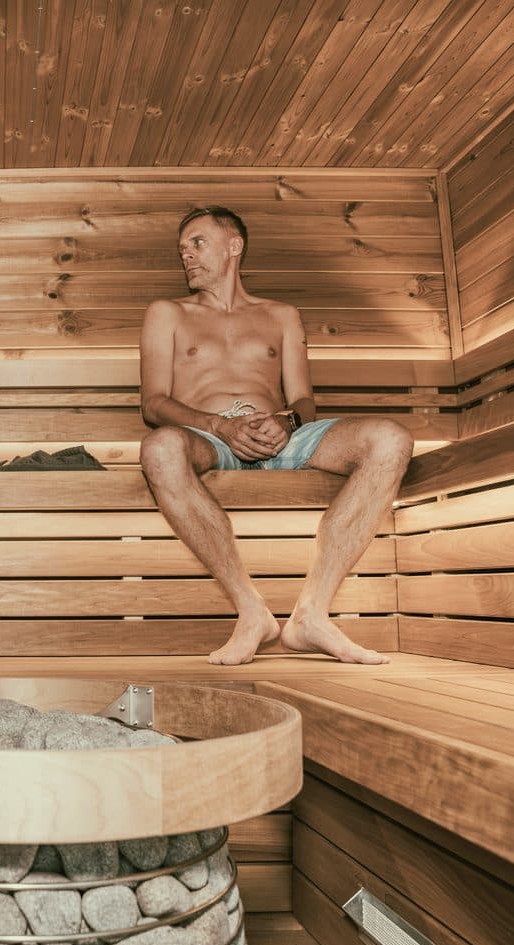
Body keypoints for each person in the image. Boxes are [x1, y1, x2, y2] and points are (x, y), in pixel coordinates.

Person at [138, 206, 412, 666]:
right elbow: (153, 403)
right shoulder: (167, 314)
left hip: (281, 436)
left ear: (234, 245)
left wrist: (286, 423)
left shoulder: (282, 316)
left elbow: (304, 399)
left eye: (197, 243)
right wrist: (220, 425)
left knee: (391, 439)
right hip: (211, 436)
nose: (187, 255)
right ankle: (251, 611)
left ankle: (312, 615)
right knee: (160, 449)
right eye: (182, 248)